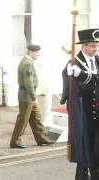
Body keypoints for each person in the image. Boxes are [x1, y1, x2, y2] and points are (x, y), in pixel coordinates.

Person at [62, 28, 99, 180]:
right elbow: (77, 90)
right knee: (85, 149)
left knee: (96, 149)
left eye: (97, 45)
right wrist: (74, 75)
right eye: (92, 45)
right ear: (83, 46)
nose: (96, 48)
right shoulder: (72, 64)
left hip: (97, 112)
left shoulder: (97, 60)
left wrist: (83, 75)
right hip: (83, 112)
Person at [9, 44, 54, 149]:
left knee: (36, 118)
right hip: (27, 96)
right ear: (31, 52)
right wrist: (34, 98)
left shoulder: (28, 62)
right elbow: (28, 82)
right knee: (23, 119)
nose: (38, 54)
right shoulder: (27, 63)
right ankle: (15, 141)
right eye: (37, 53)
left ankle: (41, 138)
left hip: (28, 95)